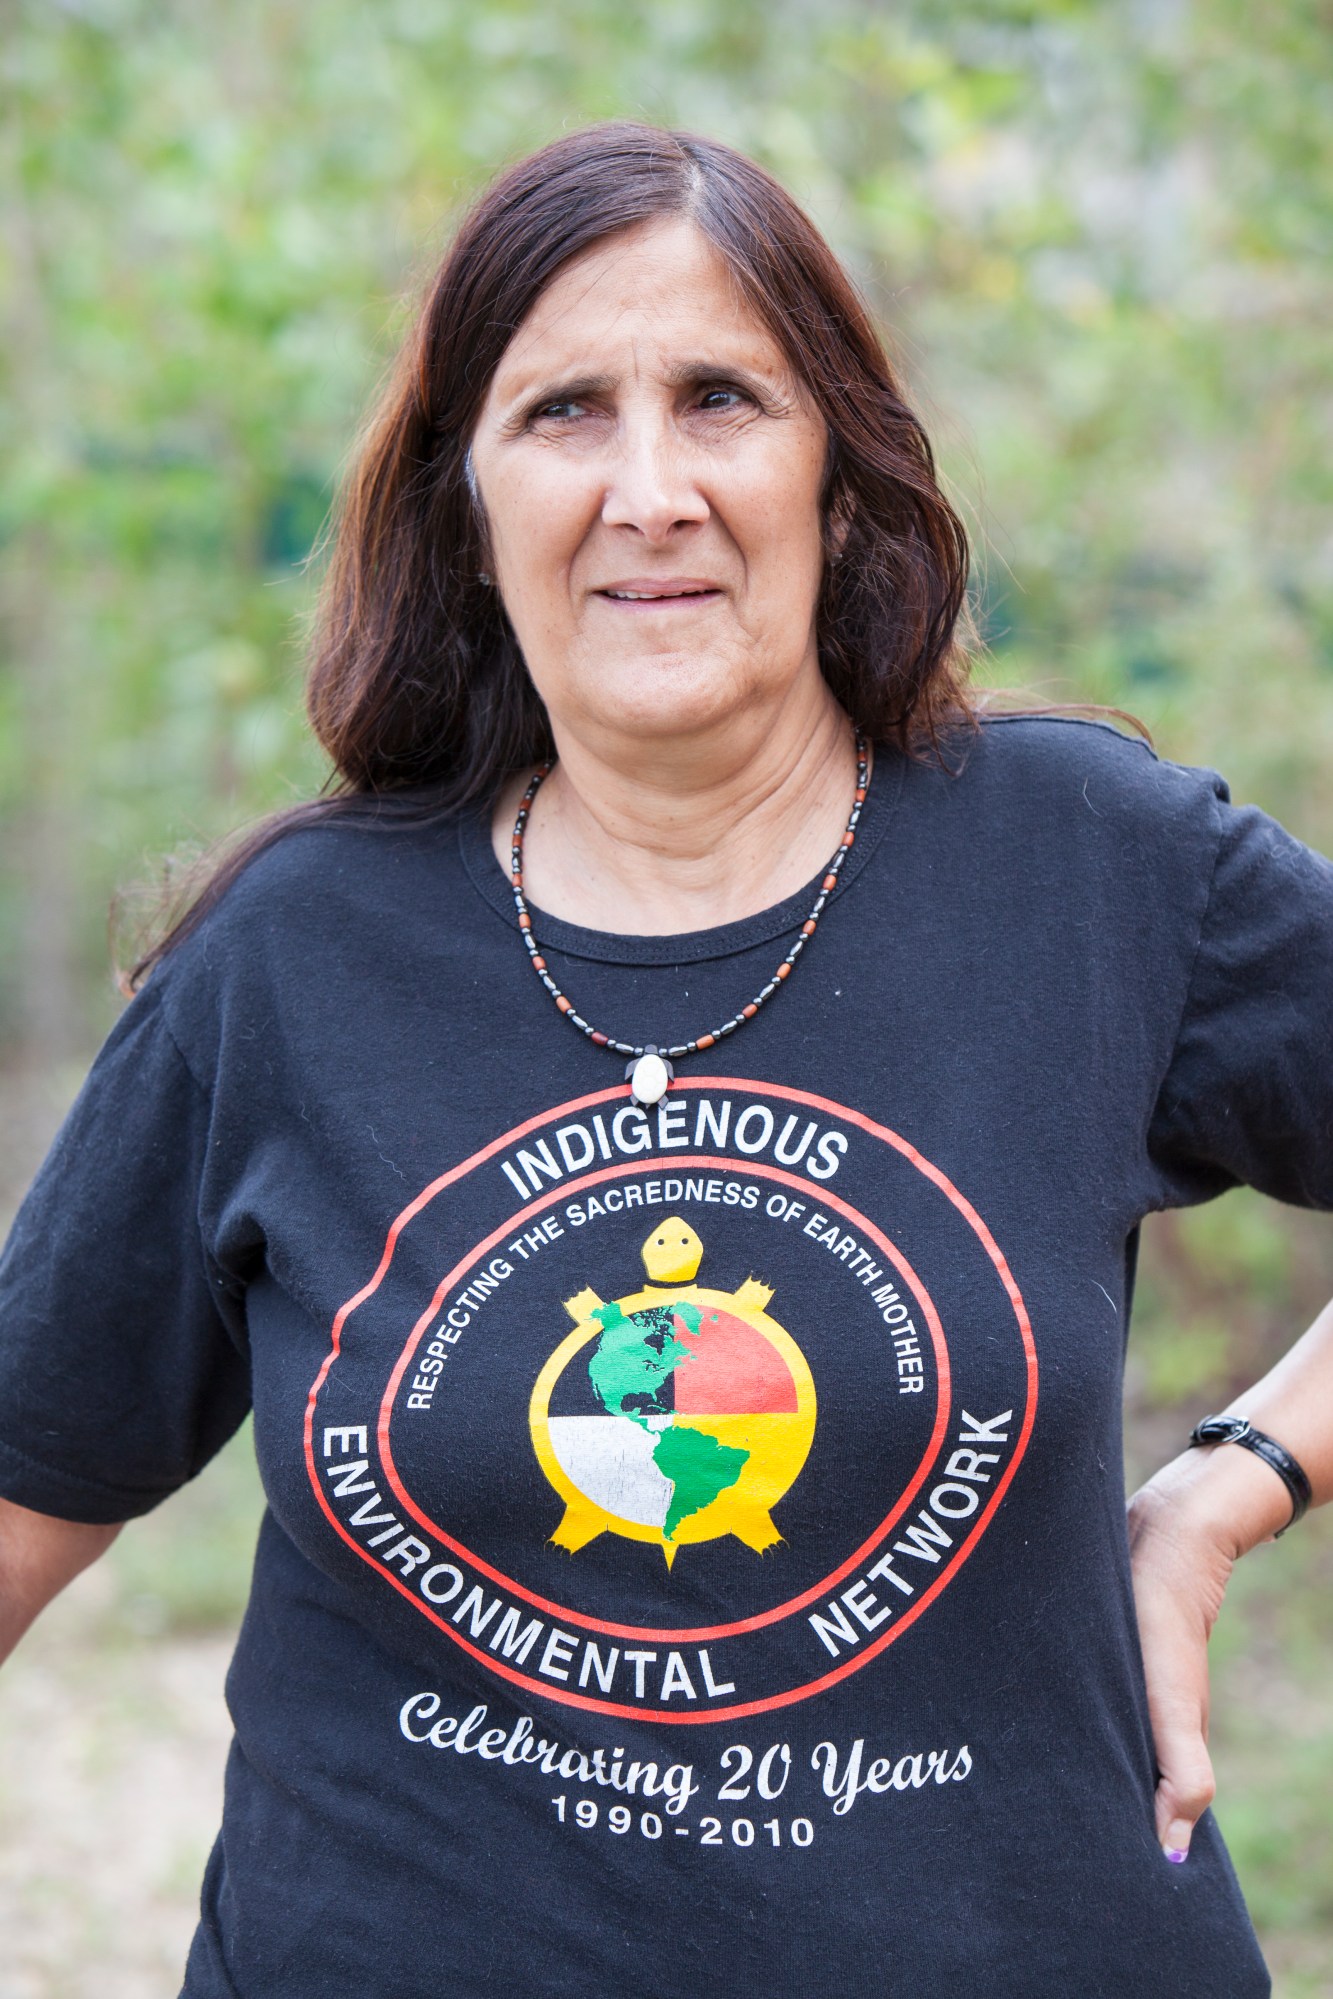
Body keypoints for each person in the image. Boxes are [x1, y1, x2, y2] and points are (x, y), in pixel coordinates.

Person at [0, 120, 1329, 1998]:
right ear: (465, 495)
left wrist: (1230, 1484)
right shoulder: (290, 958)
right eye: (562, 412)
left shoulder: (1094, 865)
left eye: (721, 399)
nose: (649, 489)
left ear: (838, 476)